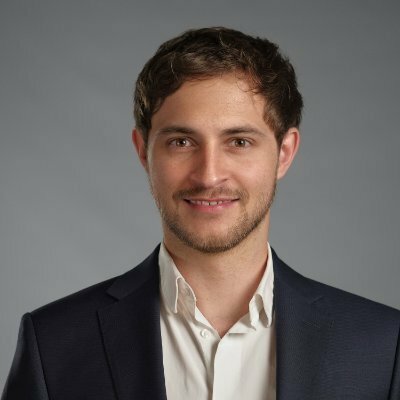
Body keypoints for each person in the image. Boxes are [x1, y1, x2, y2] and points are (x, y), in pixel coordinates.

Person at [2, 27, 399, 400]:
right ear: (143, 152)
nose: (209, 175)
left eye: (239, 142)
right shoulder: (53, 344)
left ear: (284, 153)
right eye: (181, 141)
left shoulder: (382, 346)